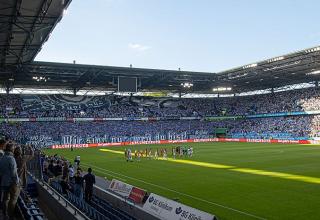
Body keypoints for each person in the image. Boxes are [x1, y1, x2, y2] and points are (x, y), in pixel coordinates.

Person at [0, 142, 20, 219]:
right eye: (13, 147)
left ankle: (4, 214)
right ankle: (10, 216)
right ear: (11, 149)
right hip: (11, 183)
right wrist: (17, 182)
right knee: (13, 200)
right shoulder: (11, 158)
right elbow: (14, 173)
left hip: (4, 182)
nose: (14, 148)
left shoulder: (2, 158)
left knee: (5, 199)